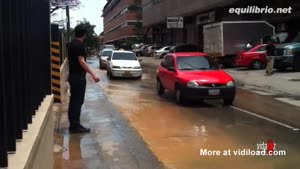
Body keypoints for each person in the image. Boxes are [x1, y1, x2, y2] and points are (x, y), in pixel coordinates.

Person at [68, 24, 100, 133]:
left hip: (72, 76)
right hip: (78, 77)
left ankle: (73, 124)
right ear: (84, 34)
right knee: (77, 101)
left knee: (73, 101)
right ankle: (75, 126)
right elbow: (81, 61)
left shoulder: (72, 44)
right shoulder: (79, 45)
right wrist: (93, 74)